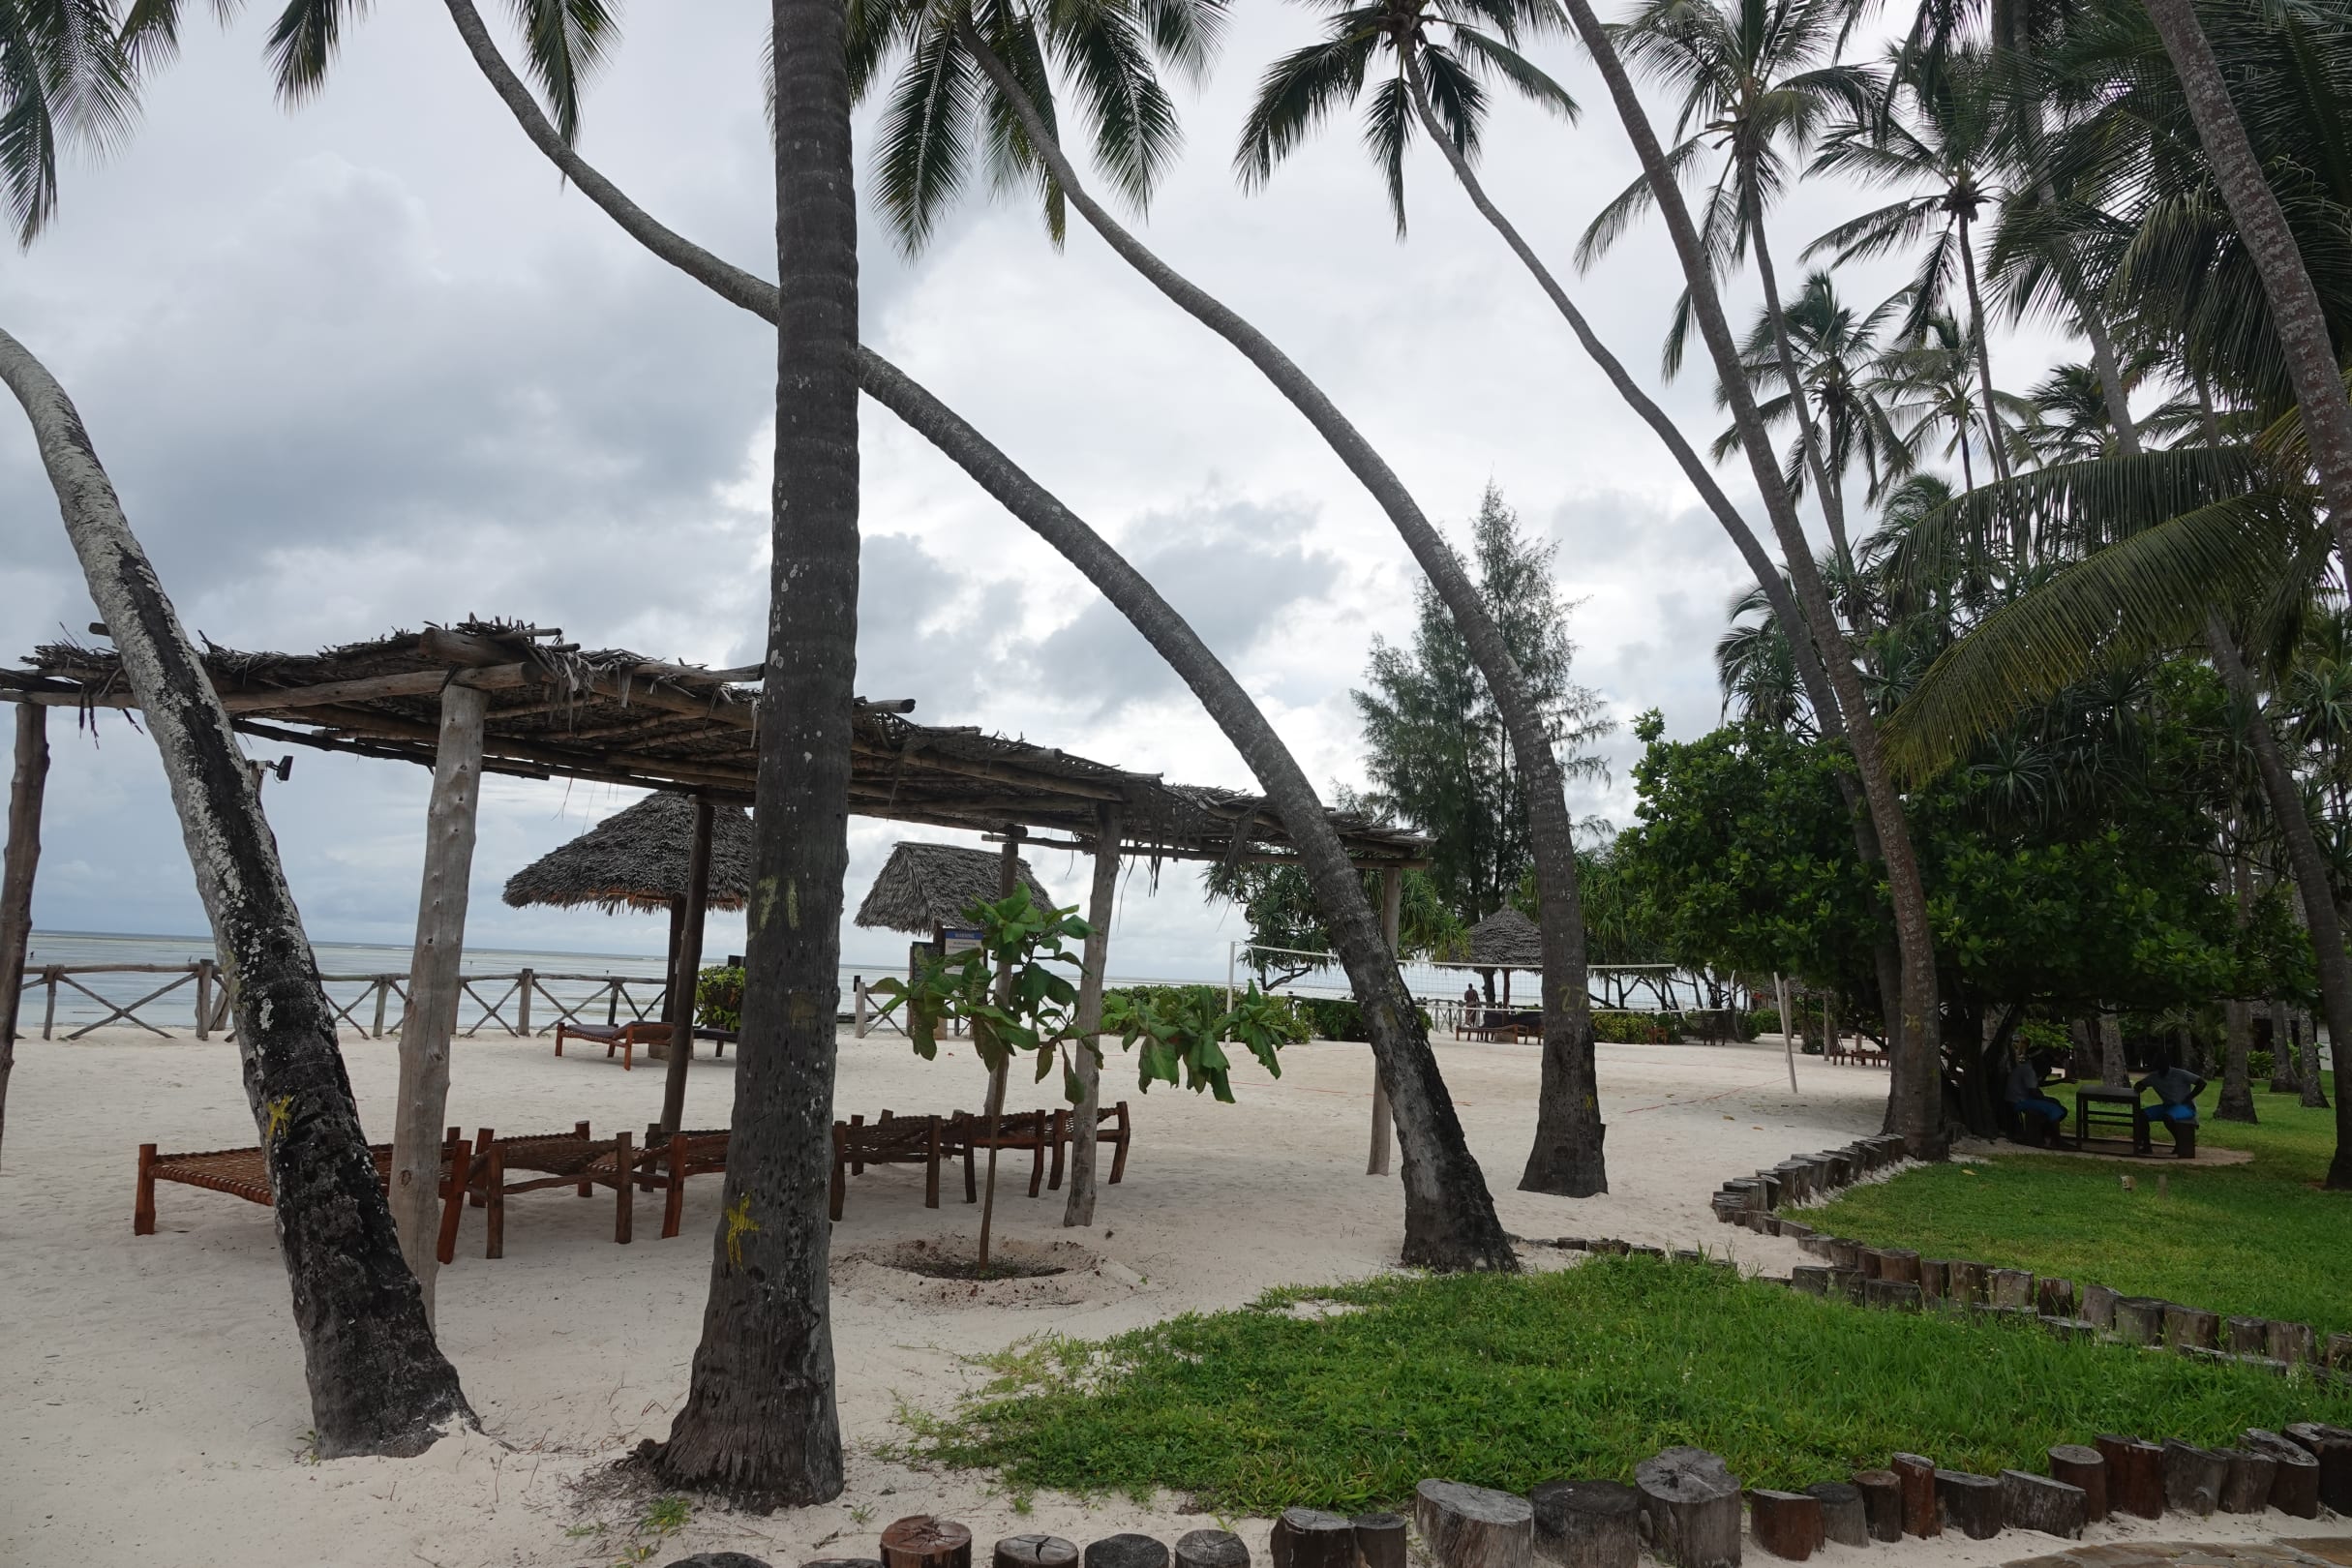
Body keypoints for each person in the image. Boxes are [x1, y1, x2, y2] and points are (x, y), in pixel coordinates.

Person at [2135, 1059, 2207, 1156]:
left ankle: (2180, 1144)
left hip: (2185, 1107)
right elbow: (2140, 1084)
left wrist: (2189, 1097)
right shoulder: (2154, 1076)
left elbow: (2202, 1083)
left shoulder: (2180, 1073)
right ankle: (2147, 1147)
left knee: (2168, 1117)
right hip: (2167, 1106)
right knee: (2142, 1115)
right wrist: (2140, 1087)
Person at [2005, 1050, 2068, 1145]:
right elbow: (2034, 1093)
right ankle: (2057, 1140)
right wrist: (2048, 1100)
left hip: (2022, 1099)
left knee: (2057, 1105)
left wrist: (2059, 1081)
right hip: (2018, 1101)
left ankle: (2046, 1134)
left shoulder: (2029, 1068)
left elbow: (2038, 1084)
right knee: (2054, 1108)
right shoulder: (2028, 1071)